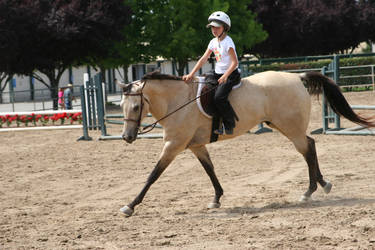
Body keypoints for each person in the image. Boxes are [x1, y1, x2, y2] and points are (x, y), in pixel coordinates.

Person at [183, 11, 240, 135]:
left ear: (224, 28)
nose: (214, 30)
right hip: (217, 73)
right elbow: (203, 59)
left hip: (231, 74)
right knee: (205, 87)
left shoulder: (228, 42)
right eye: (212, 27)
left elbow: (235, 62)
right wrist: (191, 74)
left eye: (217, 27)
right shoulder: (213, 42)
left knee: (219, 98)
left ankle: (229, 124)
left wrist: (225, 76)